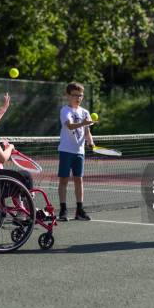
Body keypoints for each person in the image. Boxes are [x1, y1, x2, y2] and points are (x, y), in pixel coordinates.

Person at [57, 82, 95, 221]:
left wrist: (91, 142)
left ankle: (79, 210)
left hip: (79, 152)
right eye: (75, 95)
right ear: (68, 95)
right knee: (64, 180)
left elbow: (87, 131)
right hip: (66, 150)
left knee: (79, 180)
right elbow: (69, 126)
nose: (78, 98)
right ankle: (63, 210)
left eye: (80, 95)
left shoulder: (85, 112)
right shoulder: (65, 110)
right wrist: (84, 123)